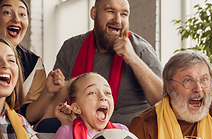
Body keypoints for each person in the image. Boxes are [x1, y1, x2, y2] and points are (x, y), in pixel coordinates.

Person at [36, 0, 163, 132]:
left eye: (124, 14)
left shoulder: (141, 50)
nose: (118, 20)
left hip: (129, 138)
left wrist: (133, 59)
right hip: (82, 132)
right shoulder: (71, 48)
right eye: (110, 11)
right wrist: (37, 132)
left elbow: (162, 100)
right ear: (94, 13)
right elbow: (56, 101)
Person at [0, 0, 65, 126]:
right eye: (7, 12)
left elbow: (27, 115)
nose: (16, 19)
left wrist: (48, 91)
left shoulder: (34, 64)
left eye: (22, 14)